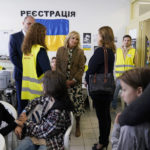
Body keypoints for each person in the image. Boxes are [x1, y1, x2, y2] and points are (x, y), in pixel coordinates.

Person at [15, 71, 74, 150]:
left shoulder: (58, 112)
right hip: (41, 131)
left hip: (52, 140)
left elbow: (43, 132)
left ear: (52, 87)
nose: (42, 85)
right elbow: (35, 101)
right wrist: (24, 113)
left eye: (44, 83)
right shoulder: (51, 97)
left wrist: (25, 122)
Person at [85, 26, 116, 150]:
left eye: (98, 35)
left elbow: (91, 69)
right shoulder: (110, 51)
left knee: (102, 117)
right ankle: (104, 141)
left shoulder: (100, 51)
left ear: (103, 36)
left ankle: (101, 143)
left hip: (99, 90)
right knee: (106, 116)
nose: (97, 37)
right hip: (108, 88)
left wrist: (86, 81)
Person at [111, 68, 150, 150]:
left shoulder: (129, 126)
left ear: (139, 91)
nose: (121, 94)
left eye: (124, 90)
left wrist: (116, 129)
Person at [56, 31, 85, 137]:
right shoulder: (60, 50)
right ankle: (64, 126)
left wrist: (73, 80)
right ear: (68, 39)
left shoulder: (80, 52)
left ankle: (77, 125)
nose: (75, 41)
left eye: (77, 39)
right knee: (63, 106)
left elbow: (82, 68)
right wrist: (64, 81)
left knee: (77, 106)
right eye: (73, 38)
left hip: (75, 84)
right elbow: (58, 67)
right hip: (63, 84)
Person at [9, 16, 35, 115]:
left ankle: (31, 127)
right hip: (21, 75)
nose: (31, 26)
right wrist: (26, 70)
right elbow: (13, 57)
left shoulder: (35, 39)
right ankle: (21, 128)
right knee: (22, 103)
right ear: (23, 23)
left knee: (34, 103)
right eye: (29, 23)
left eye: (33, 24)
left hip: (34, 77)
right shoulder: (14, 37)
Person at [21, 23, 51, 110]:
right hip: (39, 89)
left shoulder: (26, 50)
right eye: (44, 33)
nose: (45, 35)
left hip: (28, 89)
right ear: (39, 35)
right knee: (40, 116)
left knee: (32, 114)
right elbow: (47, 72)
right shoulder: (40, 50)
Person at [112, 35, 137, 110]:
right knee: (115, 93)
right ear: (123, 41)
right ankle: (114, 107)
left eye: (128, 40)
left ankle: (127, 108)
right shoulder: (117, 50)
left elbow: (136, 65)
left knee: (128, 93)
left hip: (129, 77)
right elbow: (115, 62)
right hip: (119, 77)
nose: (126, 42)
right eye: (125, 40)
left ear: (131, 41)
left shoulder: (134, 51)